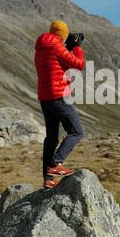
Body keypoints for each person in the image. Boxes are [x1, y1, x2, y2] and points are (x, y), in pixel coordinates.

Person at [34, 20, 85, 189]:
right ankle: (56, 164)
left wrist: (67, 48)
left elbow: (58, 63)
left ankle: (48, 178)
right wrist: (76, 46)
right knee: (76, 132)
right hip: (59, 96)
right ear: (62, 36)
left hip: (45, 97)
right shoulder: (57, 47)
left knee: (52, 138)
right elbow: (78, 65)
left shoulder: (41, 48)